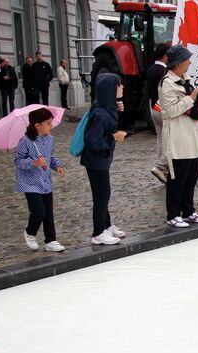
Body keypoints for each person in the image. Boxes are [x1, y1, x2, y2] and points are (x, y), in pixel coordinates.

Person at [160, 44, 198, 227]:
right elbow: (170, 110)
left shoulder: (185, 79)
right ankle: (173, 214)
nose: (190, 63)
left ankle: (188, 210)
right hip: (179, 137)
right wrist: (192, 98)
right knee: (178, 178)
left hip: (193, 134)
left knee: (192, 176)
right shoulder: (167, 84)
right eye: (187, 60)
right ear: (178, 63)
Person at [81, 73, 128, 244]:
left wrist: (116, 107)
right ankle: (98, 232)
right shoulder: (100, 113)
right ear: (110, 89)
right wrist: (114, 137)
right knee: (101, 195)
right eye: (119, 85)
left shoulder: (105, 106)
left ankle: (106, 225)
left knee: (104, 194)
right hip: (95, 160)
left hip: (100, 159)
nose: (122, 88)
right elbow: (94, 141)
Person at [14, 107, 65, 252]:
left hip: (45, 181)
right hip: (29, 183)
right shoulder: (25, 141)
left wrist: (57, 165)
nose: (51, 126)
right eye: (48, 123)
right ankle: (30, 233)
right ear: (37, 125)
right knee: (39, 212)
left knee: (48, 212)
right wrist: (33, 163)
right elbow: (18, 161)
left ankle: (51, 240)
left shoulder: (50, 140)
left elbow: (50, 157)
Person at [145, 43, 170, 183]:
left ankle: (162, 168)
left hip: (153, 108)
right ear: (165, 56)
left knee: (160, 139)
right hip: (162, 108)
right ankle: (162, 167)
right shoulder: (163, 72)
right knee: (169, 140)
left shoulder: (151, 69)